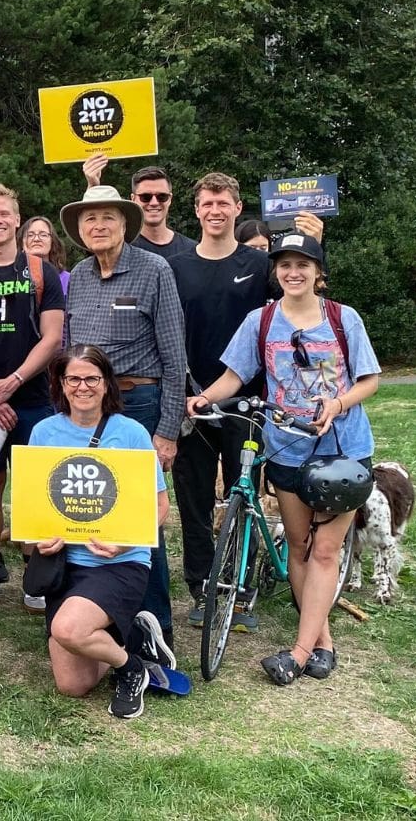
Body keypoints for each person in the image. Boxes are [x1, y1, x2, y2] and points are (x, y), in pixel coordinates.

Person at [190, 232, 381, 685]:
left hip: (342, 451)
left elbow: (370, 380)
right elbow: (235, 376)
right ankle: (325, 643)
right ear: (275, 273)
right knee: (299, 547)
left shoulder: (342, 318)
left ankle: (298, 652)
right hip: (286, 449)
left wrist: (336, 404)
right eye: (284, 265)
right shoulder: (260, 321)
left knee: (326, 550)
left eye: (303, 264)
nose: (293, 272)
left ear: (319, 273)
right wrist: (201, 400)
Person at [60, 184, 186, 650]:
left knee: (141, 521)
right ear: (78, 229)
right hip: (85, 407)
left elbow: (175, 358)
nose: (98, 226)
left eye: (108, 218)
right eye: (89, 219)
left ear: (125, 224)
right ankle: (103, 619)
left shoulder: (155, 270)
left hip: (138, 404)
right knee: (92, 506)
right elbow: (69, 351)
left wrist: (167, 431)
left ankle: (157, 630)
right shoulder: (78, 273)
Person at [32, 345, 170, 720]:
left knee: (68, 629)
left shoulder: (131, 433)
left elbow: (160, 507)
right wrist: (38, 538)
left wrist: (127, 539)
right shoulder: (44, 432)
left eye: (91, 378)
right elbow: (34, 505)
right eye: (73, 379)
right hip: (64, 563)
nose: (82, 387)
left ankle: (131, 668)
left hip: (119, 561)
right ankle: (131, 638)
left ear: (107, 384)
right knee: (72, 686)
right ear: (61, 385)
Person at [166, 173, 271, 628]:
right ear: (196, 209)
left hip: (247, 401)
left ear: (236, 207)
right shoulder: (177, 266)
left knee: (242, 495)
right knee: (193, 498)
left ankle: (241, 585)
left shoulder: (260, 265)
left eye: (223, 203)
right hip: (192, 401)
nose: (215, 210)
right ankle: (203, 586)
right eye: (207, 203)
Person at [0, 185, 65, 612]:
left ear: (17, 219)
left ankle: (34, 575)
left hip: (33, 397)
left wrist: (13, 381)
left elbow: (53, 338)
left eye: (5, 213)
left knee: (33, 488)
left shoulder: (41, 271)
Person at [82, 157, 195, 262]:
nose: (154, 203)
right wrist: (92, 186)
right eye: (146, 197)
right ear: (133, 199)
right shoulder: (118, 246)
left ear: (170, 199)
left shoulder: (191, 249)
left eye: (162, 197)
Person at [20, 215, 72, 296]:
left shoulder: (69, 280)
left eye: (43, 235)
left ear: (52, 241)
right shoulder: (13, 279)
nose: (36, 239)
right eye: (30, 235)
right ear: (22, 243)